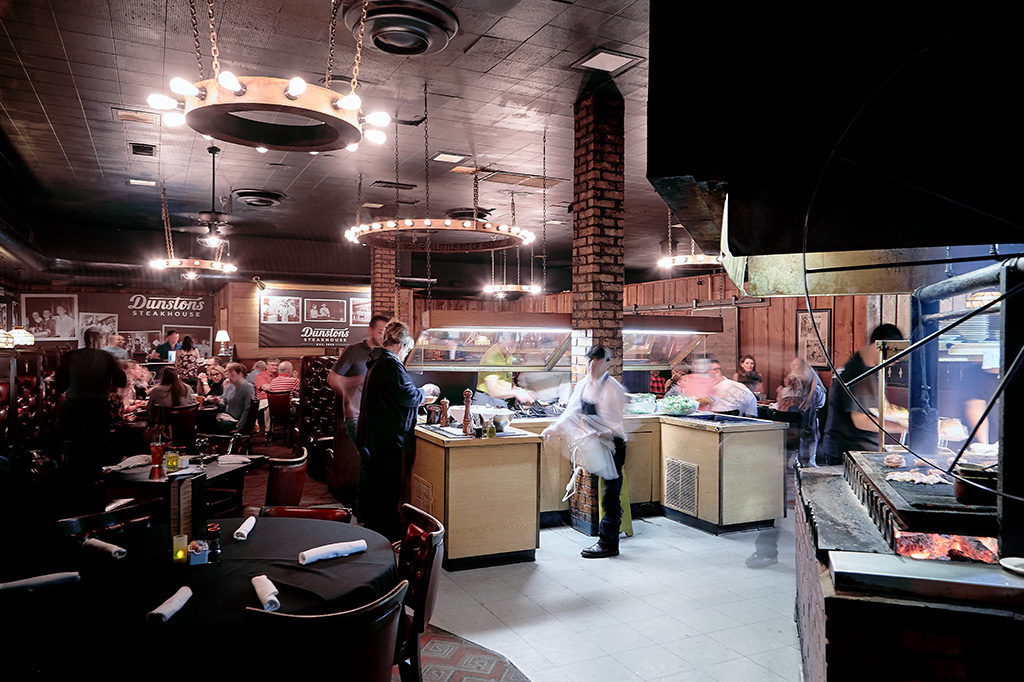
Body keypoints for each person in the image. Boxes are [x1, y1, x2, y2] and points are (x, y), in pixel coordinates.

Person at [542, 345, 628, 559]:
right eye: (590, 361)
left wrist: (598, 433)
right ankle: (608, 536)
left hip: (614, 445)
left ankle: (609, 544)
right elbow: (571, 412)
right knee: (608, 494)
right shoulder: (583, 385)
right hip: (597, 443)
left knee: (610, 496)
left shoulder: (612, 388)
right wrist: (553, 428)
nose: (592, 365)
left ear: (607, 363)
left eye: (598, 361)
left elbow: (617, 425)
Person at [356, 320, 439, 541]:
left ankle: (374, 527)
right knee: (387, 487)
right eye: (408, 350)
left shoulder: (377, 361)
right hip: (386, 435)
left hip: (375, 432)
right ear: (400, 345)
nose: (406, 354)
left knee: (376, 483)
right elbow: (407, 395)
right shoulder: (390, 364)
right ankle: (387, 534)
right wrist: (426, 390)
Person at [821, 324, 906, 465]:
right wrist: (902, 427)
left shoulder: (872, 369)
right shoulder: (857, 373)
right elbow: (861, 421)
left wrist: (900, 416)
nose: (893, 361)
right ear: (878, 346)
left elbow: (883, 407)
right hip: (849, 452)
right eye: (893, 354)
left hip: (859, 450)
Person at [53, 326, 127, 475]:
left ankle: (74, 475)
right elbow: (121, 379)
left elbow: (60, 383)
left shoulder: (70, 356)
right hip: (98, 405)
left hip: (74, 404)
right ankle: (95, 475)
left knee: (74, 441)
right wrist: (116, 389)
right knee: (98, 442)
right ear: (99, 339)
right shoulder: (107, 357)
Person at [328, 314, 388, 442]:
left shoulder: (384, 354)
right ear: (370, 330)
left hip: (378, 415)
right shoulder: (353, 350)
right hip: (357, 417)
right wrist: (361, 380)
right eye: (380, 332)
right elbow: (332, 379)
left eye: (386, 333)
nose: (384, 337)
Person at [475, 335, 535, 407]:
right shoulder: (493, 357)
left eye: (516, 345)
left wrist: (517, 389)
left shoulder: (507, 352)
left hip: (499, 401)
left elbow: (506, 375)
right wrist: (515, 393)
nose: (514, 349)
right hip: (486, 401)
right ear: (505, 340)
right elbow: (493, 392)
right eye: (512, 345)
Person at [207, 363, 254, 434]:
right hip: (227, 416)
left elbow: (247, 410)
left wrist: (240, 427)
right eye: (229, 375)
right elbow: (224, 403)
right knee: (204, 418)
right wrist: (216, 401)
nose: (230, 377)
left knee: (207, 422)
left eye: (232, 375)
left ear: (240, 374)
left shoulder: (247, 387)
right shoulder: (229, 386)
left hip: (236, 421)